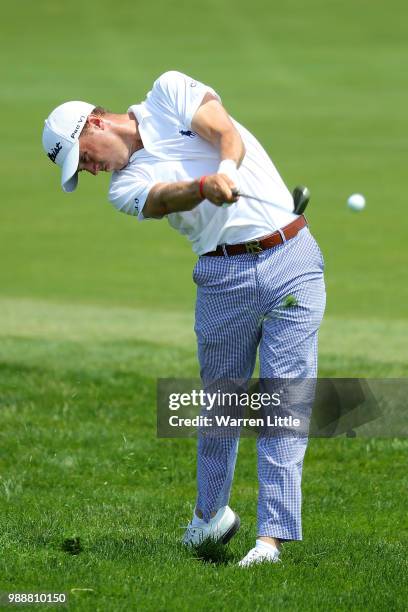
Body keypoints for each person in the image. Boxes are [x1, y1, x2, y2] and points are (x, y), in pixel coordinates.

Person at [42, 70, 326, 567]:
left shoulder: (168, 91)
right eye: (80, 169)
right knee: (221, 405)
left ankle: (271, 540)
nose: (89, 170)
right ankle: (210, 515)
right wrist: (202, 186)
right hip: (221, 278)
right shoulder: (123, 186)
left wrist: (227, 172)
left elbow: (223, 131)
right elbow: (162, 200)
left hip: (291, 258)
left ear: (94, 123)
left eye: (83, 157)